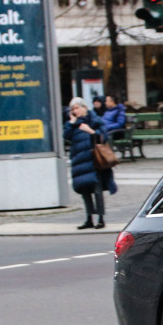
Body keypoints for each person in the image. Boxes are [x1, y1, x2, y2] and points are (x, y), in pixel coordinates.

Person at [63, 97, 107, 229]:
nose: (76, 111)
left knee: (97, 190)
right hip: (79, 160)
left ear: (84, 107)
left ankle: (100, 218)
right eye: (73, 109)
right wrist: (71, 122)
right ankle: (89, 218)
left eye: (77, 107)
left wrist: (91, 131)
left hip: (93, 160)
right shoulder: (73, 123)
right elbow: (66, 136)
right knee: (85, 191)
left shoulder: (94, 120)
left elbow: (104, 136)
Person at [95, 93, 126, 195]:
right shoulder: (108, 111)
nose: (105, 102)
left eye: (107, 100)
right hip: (105, 132)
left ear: (113, 101)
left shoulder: (119, 111)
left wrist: (106, 128)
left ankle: (101, 154)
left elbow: (120, 123)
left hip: (114, 133)